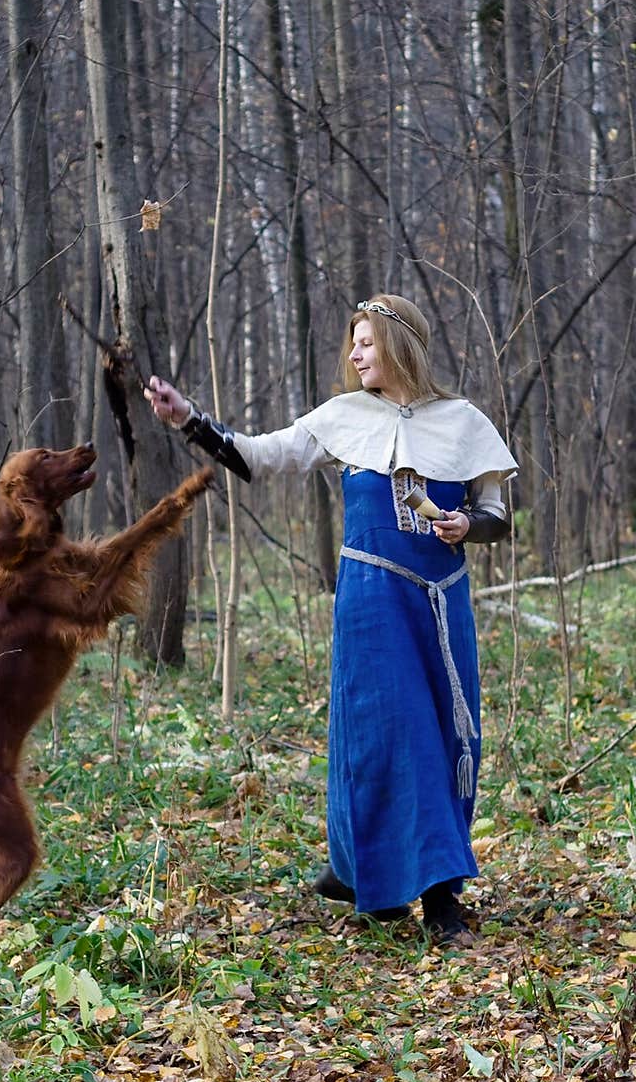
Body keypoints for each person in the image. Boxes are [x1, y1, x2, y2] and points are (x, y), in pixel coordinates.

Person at [144, 295, 518, 946]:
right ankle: (437, 904)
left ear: (401, 345)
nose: (354, 354)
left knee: (451, 739)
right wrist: (190, 422)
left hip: (442, 599)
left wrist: (467, 525)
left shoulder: (462, 423)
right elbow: (259, 455)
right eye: (353, 343)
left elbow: (497, 512)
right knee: (393, 739)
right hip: (373, 601)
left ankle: (367, 880)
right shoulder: (344, 418)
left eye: (366, 342)